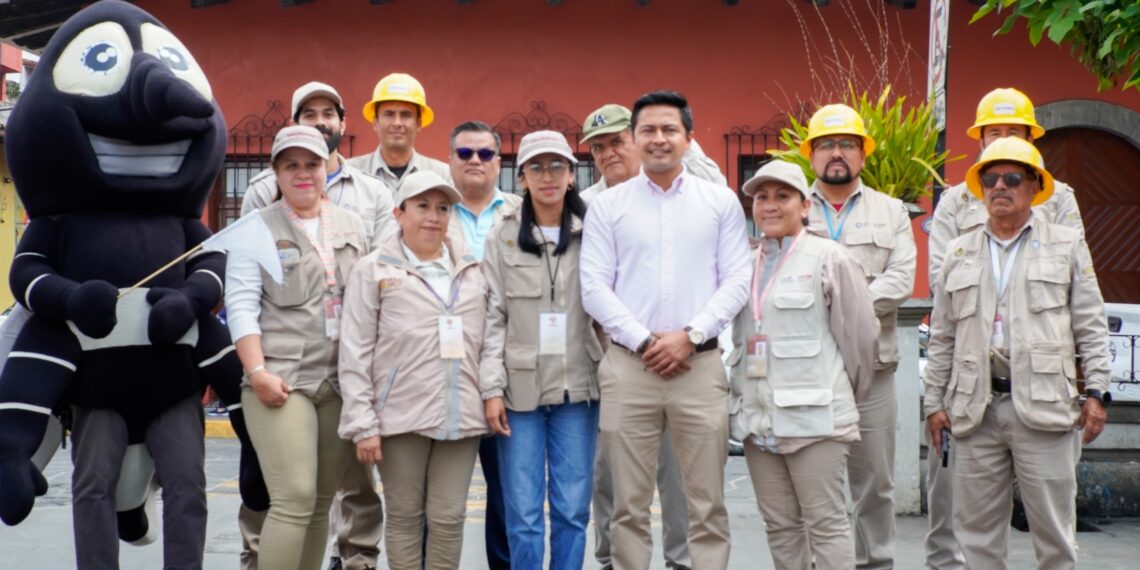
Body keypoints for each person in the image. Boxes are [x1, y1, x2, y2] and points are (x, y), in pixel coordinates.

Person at [580, 90, 752, 570]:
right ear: (637, 138)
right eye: (648, 130)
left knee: (706, 503)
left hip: (698, 367)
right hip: (628, 368)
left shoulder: (719, 202)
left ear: (688, 138)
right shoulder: (607, 207)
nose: (658, 139)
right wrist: (644, 339)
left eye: (668, 130)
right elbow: (593, 287)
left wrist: (691, 335)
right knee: (627, 505)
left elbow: (737, 279)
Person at [924, 137, 1111, 569]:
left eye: (1012, 178)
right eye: (990, 179)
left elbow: (1090, 321)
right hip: (975, 411)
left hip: (1045, 406)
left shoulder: (1065, 244)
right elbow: (942, 337)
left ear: (1034, 187)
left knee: (1054, 537)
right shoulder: (959, 250)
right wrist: (934, 403)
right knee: (978, 540)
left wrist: (1098, 391)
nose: (1000, 187)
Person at [238, 81, 389, 570]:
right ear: (275, 172)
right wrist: (257, 371)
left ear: (327, 167)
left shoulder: (353, 224)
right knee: (294, 496)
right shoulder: (255, 228)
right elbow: (240, 305)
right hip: (280, 377)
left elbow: (370, 301)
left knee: (321, 501)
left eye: (312, 164)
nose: (303, 173)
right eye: (291, 165)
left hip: (339, 379)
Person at [730, 159, 878, 569]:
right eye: (761, 197)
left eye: (782, 196)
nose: (770, 206)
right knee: (780, 526)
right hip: (757, 421)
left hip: (817, 421)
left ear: (804, 204)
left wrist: (836, 400)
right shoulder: (743, 262)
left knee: (827, 523)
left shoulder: (830, 258)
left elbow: (862, 343)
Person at [338, 170, 490, 570]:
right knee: (405, 518)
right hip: (398, 417)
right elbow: (354, 351)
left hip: (462, 411)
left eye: (443, 208)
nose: (433, 217)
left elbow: (490, 339)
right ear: (398, 213)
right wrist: (363, 422)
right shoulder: (373, 270)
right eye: (422, 206)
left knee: (449, 517)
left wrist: (490, 392)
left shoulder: (473, 269)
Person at [480, 130, 603, 569]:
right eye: (536, 167)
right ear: (522, 178)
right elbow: (492, 315)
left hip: (579, 390)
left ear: (572, 175)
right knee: (523, 513)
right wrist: (491, 389)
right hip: (520, 393)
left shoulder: (595, 231)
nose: (547, 175)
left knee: (572, 510)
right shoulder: (503, 236)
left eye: (557, 166)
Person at [444, 120, 522, 568]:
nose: (475, 161)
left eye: (486, 154)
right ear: (450, 160)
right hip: (442, 370)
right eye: (465, 153)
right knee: (440, 498)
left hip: (504, 369)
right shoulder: (430, 209)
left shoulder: (520, 212)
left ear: (499, 162)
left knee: (507, 492)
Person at [347, 72, 451, 188]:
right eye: (389, 114)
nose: (397, 123)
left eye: (406, 115)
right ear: (375, 122)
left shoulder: (442, 176)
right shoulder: (350, 173)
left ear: (419, 123)